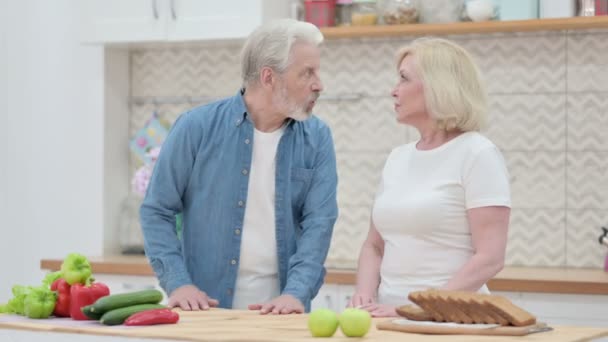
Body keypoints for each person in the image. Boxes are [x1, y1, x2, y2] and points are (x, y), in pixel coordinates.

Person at [140, 18, 338, 315]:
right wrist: (178, 283)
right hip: (204, 308)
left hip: (283, 311)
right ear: (269, 77)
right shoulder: (196, 127)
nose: (318, 84)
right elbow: (157, 209)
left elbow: (319, 224)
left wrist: (297, 293)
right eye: (307, 73)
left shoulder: (317, 137)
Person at [348, 38, 511, 317]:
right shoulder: (397, 158)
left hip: (450, 319)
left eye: (403, 79)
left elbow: (490, 258)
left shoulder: (477, 153)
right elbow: (374, 245)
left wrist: (419, 308)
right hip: (387, 319)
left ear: (438, 87)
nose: (393, 91)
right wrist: (363, 295)